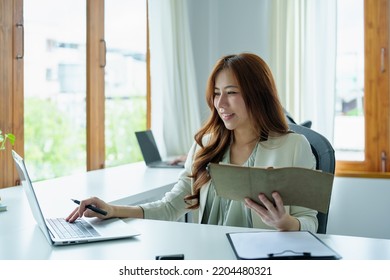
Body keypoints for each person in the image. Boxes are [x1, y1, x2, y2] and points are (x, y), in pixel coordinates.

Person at [67, 53, 318, 232]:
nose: (221, 104)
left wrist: (286, 223)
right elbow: (170, 207)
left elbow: (310, 221)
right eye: (217, 94)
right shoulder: (207, 145)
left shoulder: (294, 147)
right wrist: (112, 209)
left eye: (231, 93)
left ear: (258, 95)